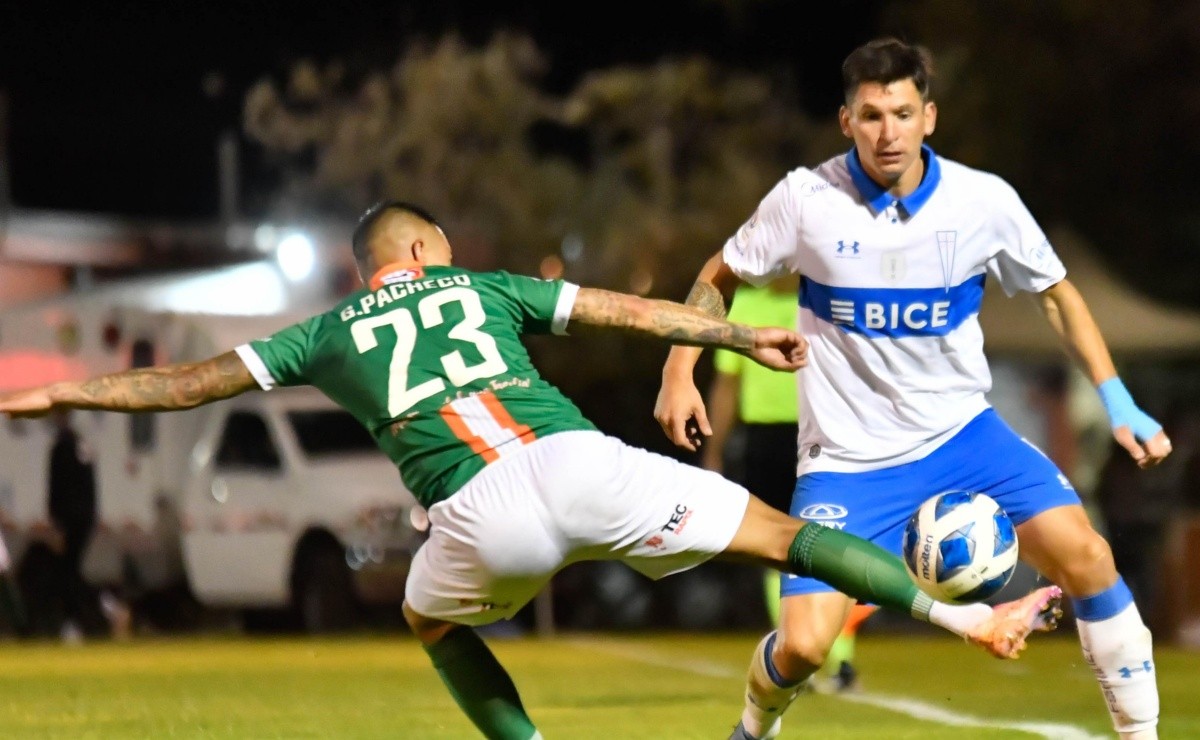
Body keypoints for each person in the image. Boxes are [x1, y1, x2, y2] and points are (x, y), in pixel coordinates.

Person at [0, 201, 1062, 740]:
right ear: (429, 251)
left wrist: (60, 393)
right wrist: (734, 341)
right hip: (578, 457)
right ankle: (968, 617)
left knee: (431, 623)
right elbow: (620, 309)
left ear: (367, 269)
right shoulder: (484, 284)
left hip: (474, 513)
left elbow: (183, 386)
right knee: (787, 538)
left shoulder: (323, 331)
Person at [654, 37, 1170, 740]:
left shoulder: (983, 201)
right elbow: (724, 271)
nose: (886, 131)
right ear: (846, 122)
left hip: (964, 436)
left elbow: (1057, 295)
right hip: (846, 462)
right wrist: (679, 369)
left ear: (930, 116)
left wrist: (1117, 401)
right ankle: (753, 726)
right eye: (870, 115)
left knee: (1089, 556)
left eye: (901, 112)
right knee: (805, 644)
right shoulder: (806, 200)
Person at [703, 275, 878, 692]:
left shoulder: (824, 297)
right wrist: (713, 451)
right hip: (765, 440)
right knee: (776, 545)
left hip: (820, 432)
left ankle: (840, 656)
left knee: (834, 538)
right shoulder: (747, 302)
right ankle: (794, 647)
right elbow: (728, 383)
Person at [47, 409, 97, 643]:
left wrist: (55, 523)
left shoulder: (61, 447)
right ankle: (99, 610)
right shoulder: (82, 445)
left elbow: (56, 489)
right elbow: (90, 484)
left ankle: (74, 622)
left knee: (67, 572)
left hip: (69, 518)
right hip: (85, 517)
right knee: (74, 569)